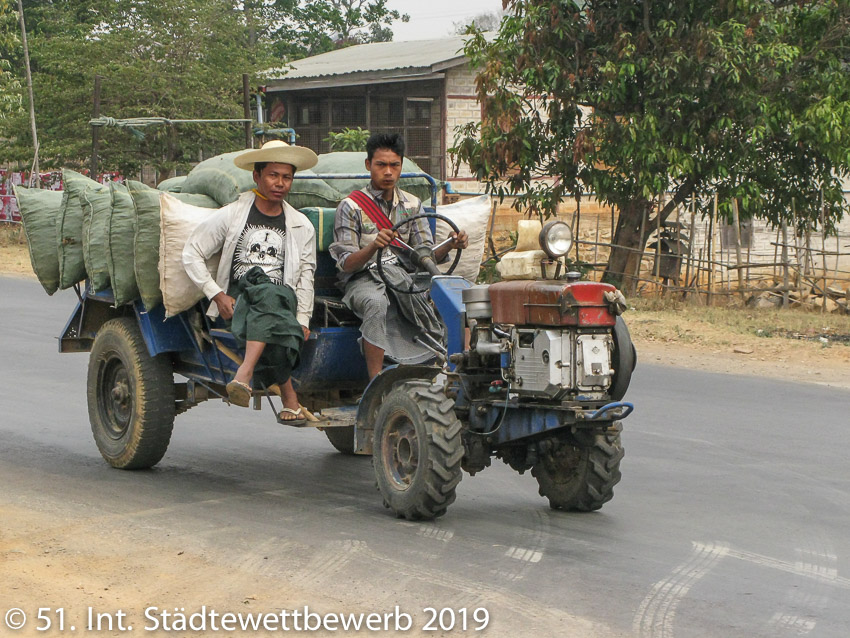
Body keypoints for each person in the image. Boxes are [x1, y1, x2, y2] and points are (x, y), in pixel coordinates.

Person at [182, 140, 318, 424]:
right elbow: (191, 251)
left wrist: (303, 318)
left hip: (282, 297)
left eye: (286, 177)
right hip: (239, 298)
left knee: (271, 294)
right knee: (279, 326)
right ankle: (290, 402)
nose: (280, 183)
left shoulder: (301, 224)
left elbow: (306, 274)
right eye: (272, 175)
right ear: (256, 176)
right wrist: (217, 295)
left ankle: (244, 374)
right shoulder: (232, 215)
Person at [329, 133, 468, 380]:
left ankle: (451, 370)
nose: (388, 172)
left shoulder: (412, 205)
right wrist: (373, 248)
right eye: (381, 165)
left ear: (401, 166)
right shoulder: (350, 207)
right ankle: (376, 381)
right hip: (363, 279)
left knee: (455, 298)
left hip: (404, 277)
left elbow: (424, 255)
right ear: (368, 165)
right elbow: (346, 263)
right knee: (376, 303)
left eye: (394, 165)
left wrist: (451, 244)